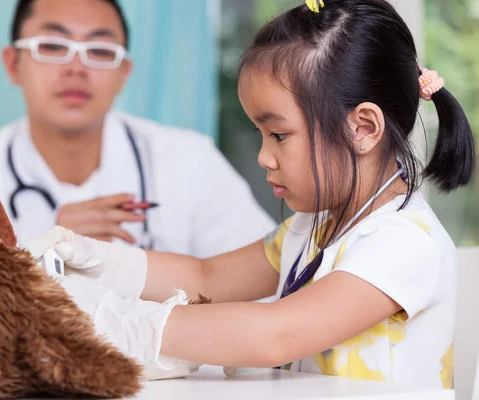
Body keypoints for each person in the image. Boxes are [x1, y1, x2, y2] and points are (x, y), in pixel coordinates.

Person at [33, 0, 475, 389]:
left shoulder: (403, 244)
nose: (264, 156)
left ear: (363, 128)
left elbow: (273, 334)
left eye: (279, 134)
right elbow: (206, 277)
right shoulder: (313, 228)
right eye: (261, 134)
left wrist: (119, 325)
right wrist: (98, 261)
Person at [0, 0, 275, 258]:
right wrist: (42, 247)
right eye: (52, 45)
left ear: (123, 73)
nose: (76, 68)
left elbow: (268, 278)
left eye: (99, 51)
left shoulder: (188, 164)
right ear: (13, 64)